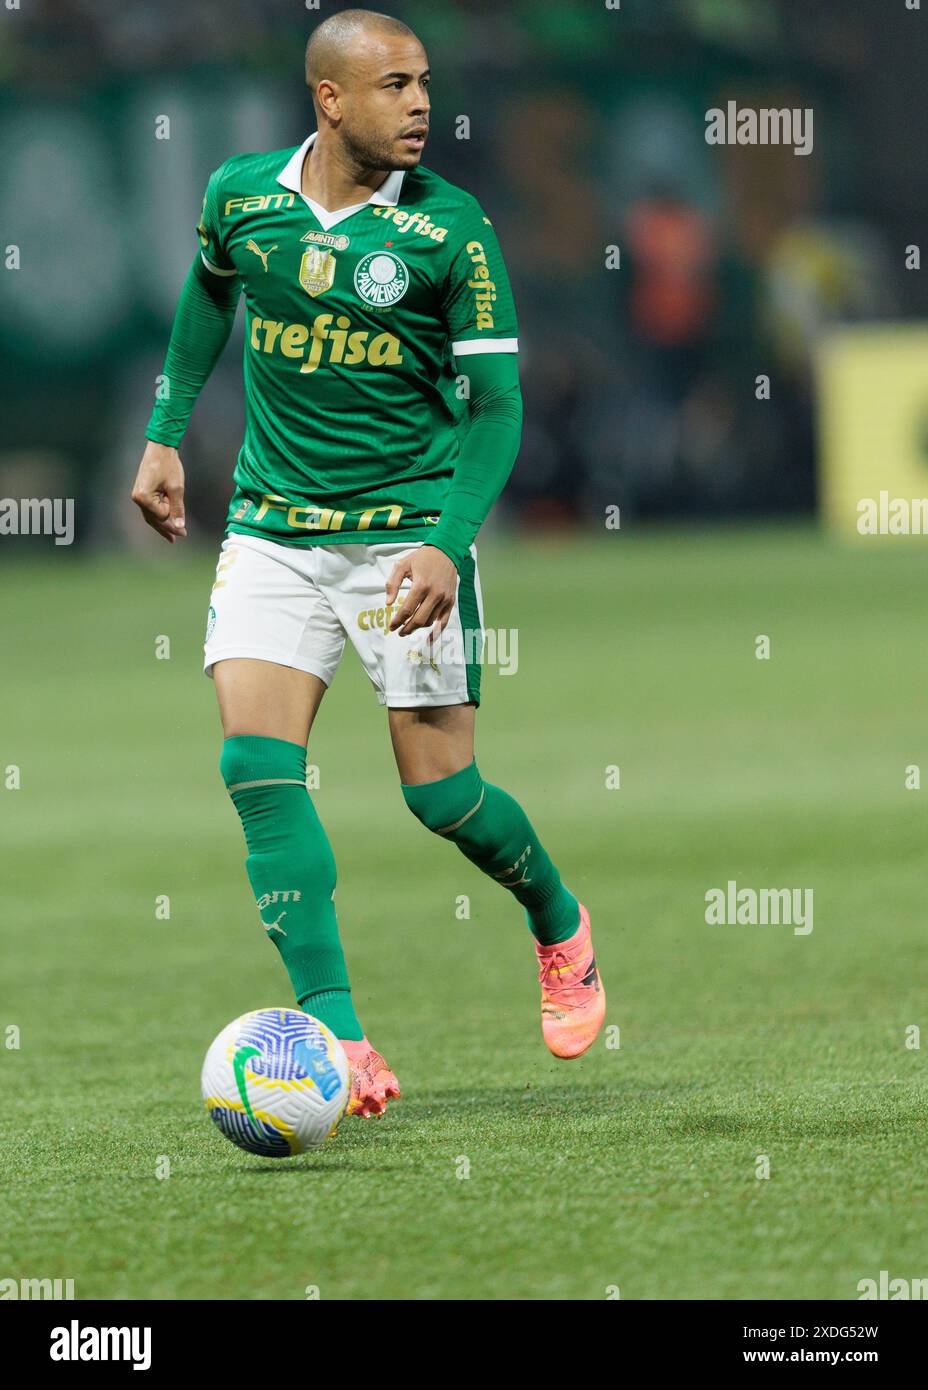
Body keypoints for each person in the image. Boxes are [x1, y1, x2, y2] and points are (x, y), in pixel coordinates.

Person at [132, 8, 604, 1120]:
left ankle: (557, 920)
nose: (422, 104)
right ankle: (339, 1035)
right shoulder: (242, 195)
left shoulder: (451, 232)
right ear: (330, 98)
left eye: (426, 81)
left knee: (441, 799)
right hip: (270, 530)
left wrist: (446, 545)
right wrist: (164, 429)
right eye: (394, 84)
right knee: (256, 771)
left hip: (407, 537)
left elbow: (496, 410)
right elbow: (211, 288)